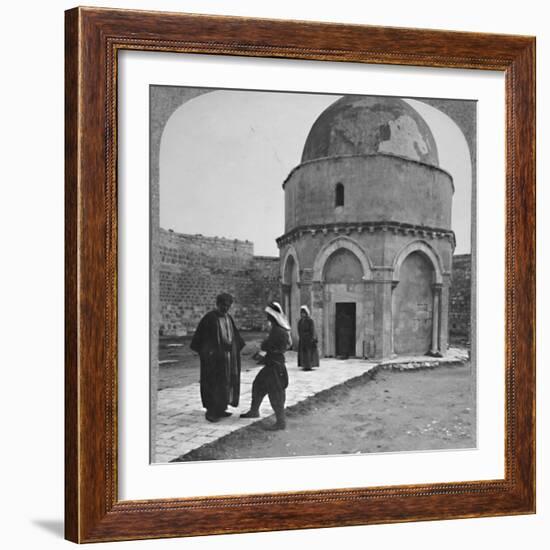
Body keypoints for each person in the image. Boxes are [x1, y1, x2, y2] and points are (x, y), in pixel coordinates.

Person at [190, 293, 245, 423]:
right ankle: (211, 411)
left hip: (228, 358)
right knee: (213, 384)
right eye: (223, 305)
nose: (225, 308)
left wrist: (235, 347)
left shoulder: (228, 318)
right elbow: (200, 340)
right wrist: (208, 354)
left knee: (225, 383)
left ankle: (221, 408)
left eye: (228, 306)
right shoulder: (209, 318)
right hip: (214, 361)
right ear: (218, 304)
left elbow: (235, 338)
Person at [240, 302, 292, 430]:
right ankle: (254, 411)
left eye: (268, 314)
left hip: (275, 365)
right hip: (272, 363)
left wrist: (264, 347)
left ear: (273, 315)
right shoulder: (277, 329)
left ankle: (281, 422)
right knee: (258, 385)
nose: (266, 316)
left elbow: (271, 346)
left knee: (276, 393)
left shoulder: (278, 331)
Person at [297, 305, 319, 371]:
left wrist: (311, 338)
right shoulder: (300, 321)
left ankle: (309, 365)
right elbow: (299, 329)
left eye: (304, 313)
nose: (302, 314)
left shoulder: (310, 320)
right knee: (303, 352)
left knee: (309, 352)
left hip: (309, 338)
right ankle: (304, 365)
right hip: (302, 339)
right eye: (301, 313)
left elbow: (312, 329)